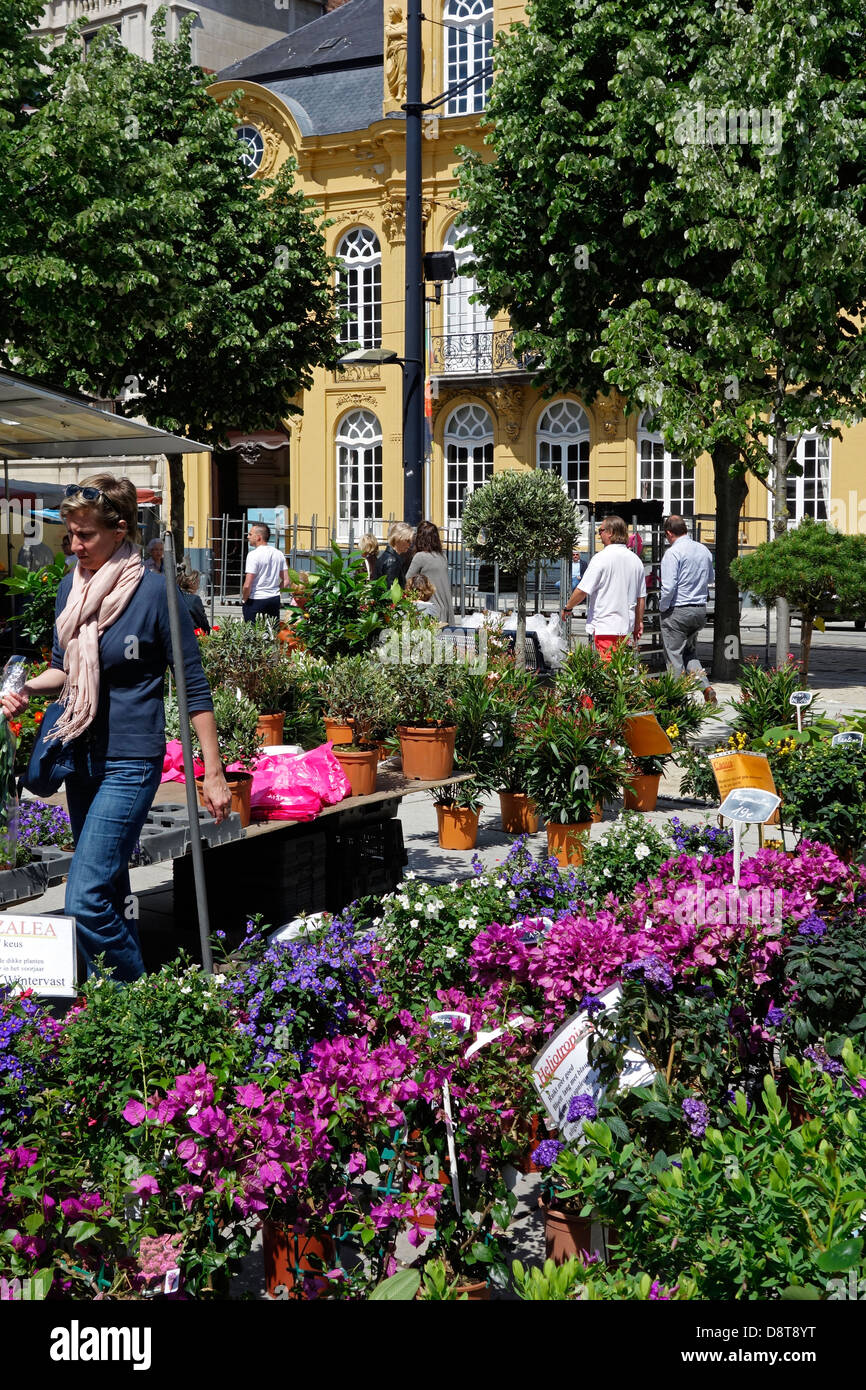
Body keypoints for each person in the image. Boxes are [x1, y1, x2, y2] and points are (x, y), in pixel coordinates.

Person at [0, 474, 230, 983]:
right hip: (79, 754)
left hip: (130, 760)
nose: (74, 545)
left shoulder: (155, 594)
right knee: (108, 886)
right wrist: (28, 689)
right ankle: (106, 1000)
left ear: (120, 529)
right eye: (70, 535)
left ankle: (136, 999)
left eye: (85, 535)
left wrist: (212, 772)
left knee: (83, 896)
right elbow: (65, 666)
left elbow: (193, 687)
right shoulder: (71, 589)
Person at [562, 514, 646, 661]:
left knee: (607, 671)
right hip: (626, 626)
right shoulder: (635, 560)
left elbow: (582, 590)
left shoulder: (601, 558)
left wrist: (568, 607)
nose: (599, 535)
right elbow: (641, 597)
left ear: (611, 532)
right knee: (619, 670)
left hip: (606, 625)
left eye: (601, 531)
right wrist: (639, 622)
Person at [659, 514, 717, 703]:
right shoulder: (703, 550)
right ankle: (706, 687)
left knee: (674, 657)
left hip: (678, 610)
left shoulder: (673, 553)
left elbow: (668, 587)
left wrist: (662, 607)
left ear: (669, 533)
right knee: (689, 652)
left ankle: (675, 700)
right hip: (699, 609)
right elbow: (710, 579)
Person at [403, 520, 455, 624]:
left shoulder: (420, 557)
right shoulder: (442, 556)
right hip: (445, 608)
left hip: (429, 609)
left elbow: (406, 581)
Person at [242, 521, 289, 622]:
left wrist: (244, 599)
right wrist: (276, 591)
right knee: (272, 632)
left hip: (256, 599)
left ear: (258, 537)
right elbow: (286, 580)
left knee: (253, 634)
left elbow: (247, 584)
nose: (247, 537)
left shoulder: (253, 555)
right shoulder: (278, 553)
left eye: (250, 534)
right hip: (273, 599)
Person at [376, 522, 414, 588]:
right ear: (398, 539)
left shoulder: (386, 557)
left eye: (411, 541)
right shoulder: (392, 561)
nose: (410, 544)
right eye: (407, 541)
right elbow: (391, 591)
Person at [178, 569, 210, 634]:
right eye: (198, 582)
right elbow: (203, 622)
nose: (198, 587)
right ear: (192, 582)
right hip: (192, 637)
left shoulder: (175, 597)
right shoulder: (194, 600)